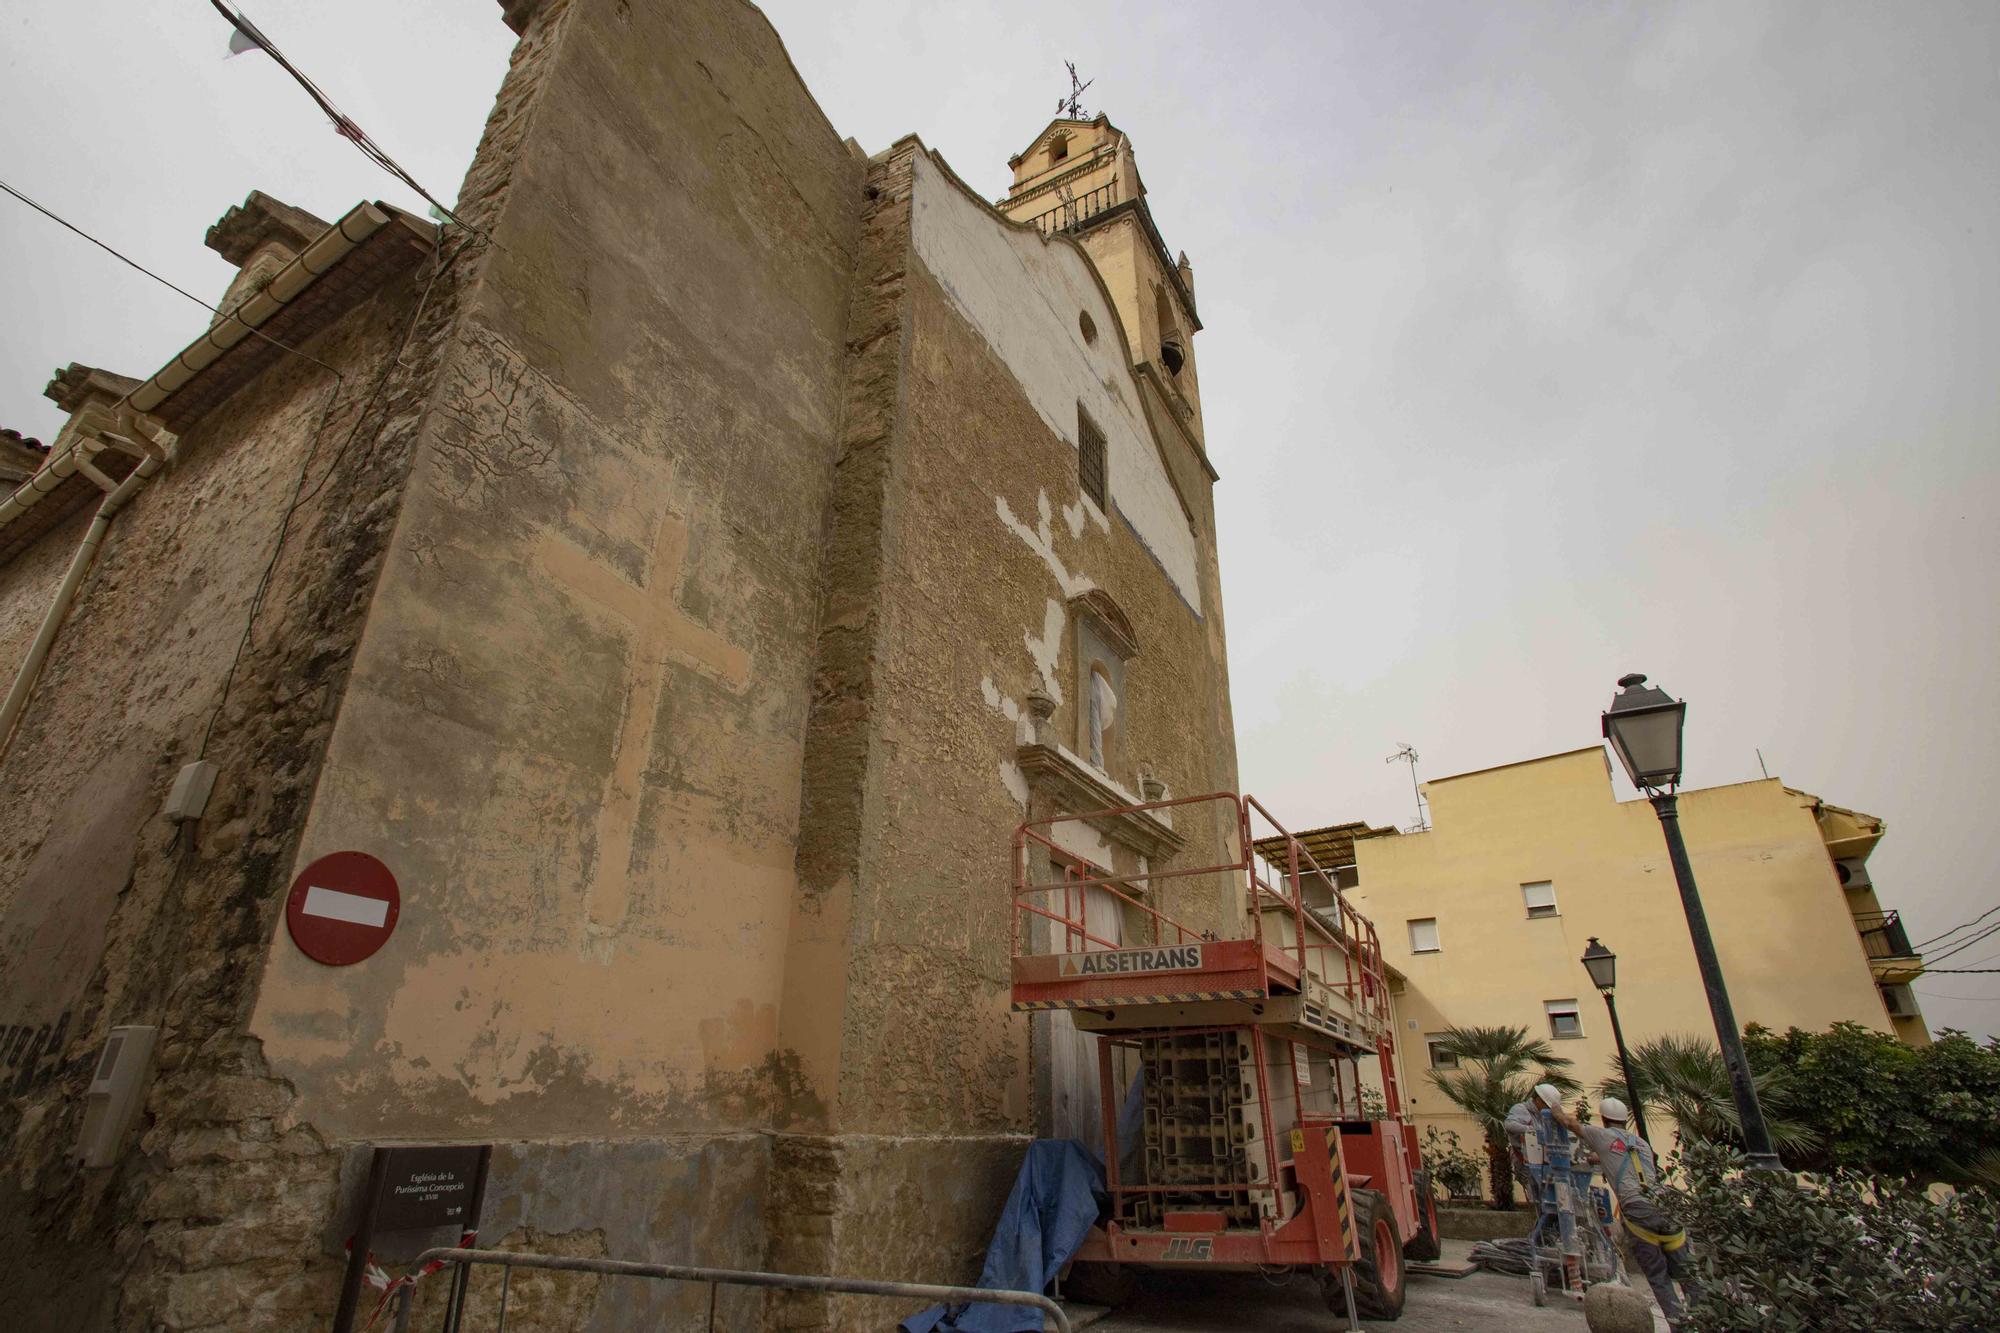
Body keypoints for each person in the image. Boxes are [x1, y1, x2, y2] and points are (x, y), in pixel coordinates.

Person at [1535, 1085, 1701, 1332]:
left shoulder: (1602, 1136)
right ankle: (1704, 1319)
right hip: (1668, 1207)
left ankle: (1679, 1327)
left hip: (1638, 1211)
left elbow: (1567, 1122)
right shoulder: (1641, 1144)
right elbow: (1629, 1164)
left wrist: (1550, 1101)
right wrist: (1598, 1158)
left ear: (1603, 1119)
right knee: (1688, 1275)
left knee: (1659, 1278)